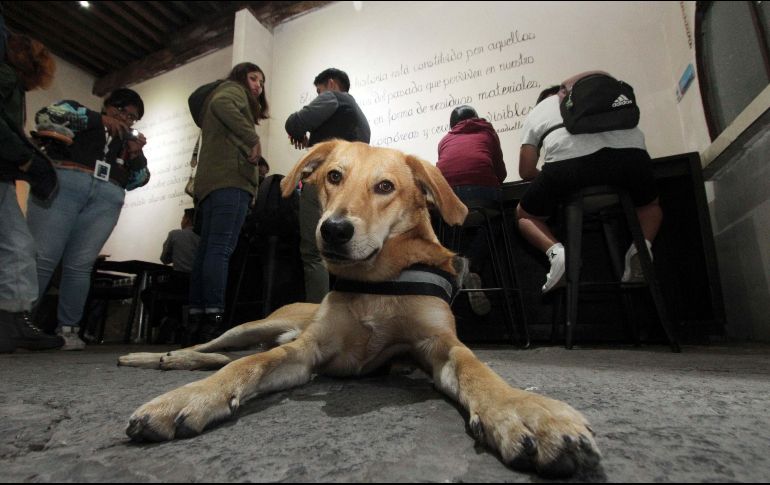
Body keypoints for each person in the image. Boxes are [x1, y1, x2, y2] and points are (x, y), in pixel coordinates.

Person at [26, 88, 150, 350]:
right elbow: (46, 115)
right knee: (42, 256)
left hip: (107, 197)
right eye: (123, 112)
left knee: (80, 265)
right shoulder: (79, 111)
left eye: (133, 117)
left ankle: (69, 330)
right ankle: (18, 321)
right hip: (66, 183)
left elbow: (140, 180)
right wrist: (99, 120)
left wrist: (136, 154)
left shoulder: (126, 143)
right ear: (110, 107)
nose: (127, 120)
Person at [516, 73, 662, 293]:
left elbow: (526, 171)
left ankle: (558, 255)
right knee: (650, 206)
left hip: (570, 167)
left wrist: (556, 180)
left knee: (525, 215)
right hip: (631, 159)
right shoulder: (602, 94)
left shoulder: (539, 110)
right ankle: (641, 248)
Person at [187, 62, 268, 343]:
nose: (258, 85)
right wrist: (252, 137)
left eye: (262, 81)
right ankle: (215, 321)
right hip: (231, 182)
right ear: (240, 78)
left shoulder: (219, 97)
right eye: (253, 77)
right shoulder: (231, 90)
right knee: (220, 251)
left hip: (211, 184)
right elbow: (224, 103)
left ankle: (197, 321)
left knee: (207, 252)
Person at [0, 33, 64, 352]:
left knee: (17, 244)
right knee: (16, 244)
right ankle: (12, 321)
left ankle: (13, 321)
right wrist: (25, 157)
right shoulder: (6, 76)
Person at [285, 67, 370, 303]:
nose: (318, 96)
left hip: (325, 180)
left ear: (331, 84)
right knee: (348, 251)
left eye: (319, 91)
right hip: (351, 187)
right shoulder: (358, 116)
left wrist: (297, 128)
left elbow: (295, 122)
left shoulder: (333, 97)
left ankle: (314, 316)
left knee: (313, 252)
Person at [436, 105, 507, 316]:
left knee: (448, 225)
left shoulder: (444, 140)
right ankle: (471, 267)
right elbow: (500, 173)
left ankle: (453, 272)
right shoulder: (487, 132)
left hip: (448, 196)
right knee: (496, 220)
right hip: (482, 194)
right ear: (476, 118)